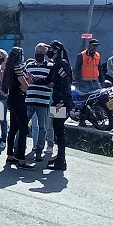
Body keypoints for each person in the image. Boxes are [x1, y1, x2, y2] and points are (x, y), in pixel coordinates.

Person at [0, 48, 33, 169]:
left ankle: (10, 155)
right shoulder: (17, 68)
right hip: (19, 100)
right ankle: (21, 159)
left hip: (11, 99)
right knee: (23, 130)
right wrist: (28, 84)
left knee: (13, 129)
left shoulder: (8, 68)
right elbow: (25, 85)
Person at [45, 41, 73, 171]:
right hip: (56, 102)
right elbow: (48, 81)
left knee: (59, 131)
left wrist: (61, 100)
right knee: (57, 129)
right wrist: (32, 79)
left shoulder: (62, 64)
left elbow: (65, 83)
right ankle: (59, 157)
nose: (48, 51)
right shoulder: (56, 65)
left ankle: (61, 161)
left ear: (56, 50)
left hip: (61, 103)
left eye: (50, 49)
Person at [25, 44, 53, 162]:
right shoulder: (29, 66)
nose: (38, 54)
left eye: (41, 52)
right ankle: (18, 149)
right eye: (37, 51)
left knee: (42, 128)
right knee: (22, 126)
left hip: (43, 101)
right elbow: (26, 81)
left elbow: (51, 83)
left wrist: (37, 81)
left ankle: (39, 152)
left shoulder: (50, 67)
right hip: (29, 100)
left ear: (45, 54)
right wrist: (33, 81)